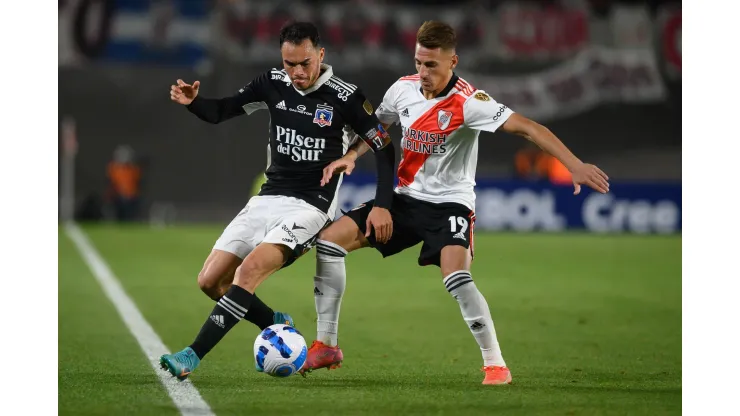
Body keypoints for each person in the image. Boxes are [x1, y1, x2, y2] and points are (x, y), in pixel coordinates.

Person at [300, 21, 610, 385]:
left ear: (453, 62)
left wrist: (573, 165)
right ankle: (326, 344)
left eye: (431, 65)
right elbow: (377, 131)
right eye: (418, 62)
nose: (423, 72)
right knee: (329, 242)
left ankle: (495, 364)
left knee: (456, 276)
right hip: (403, 199)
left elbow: (528, 127)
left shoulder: (470, 102)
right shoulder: (402, 90)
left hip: (450, 206)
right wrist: (352, 155)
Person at [159, 21, 396, 380]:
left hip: (312, 205)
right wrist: (195, 103)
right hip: (268, 197)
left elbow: (384, 147)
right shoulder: (272, 82)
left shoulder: (345, 96)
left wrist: (382, 203)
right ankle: (274, 322)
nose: (297, 72)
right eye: (290, 63)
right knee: (209, 281)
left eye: (304, 63)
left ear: (321, 54)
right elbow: (223, 110)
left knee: (248, 271)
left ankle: (192, 355)